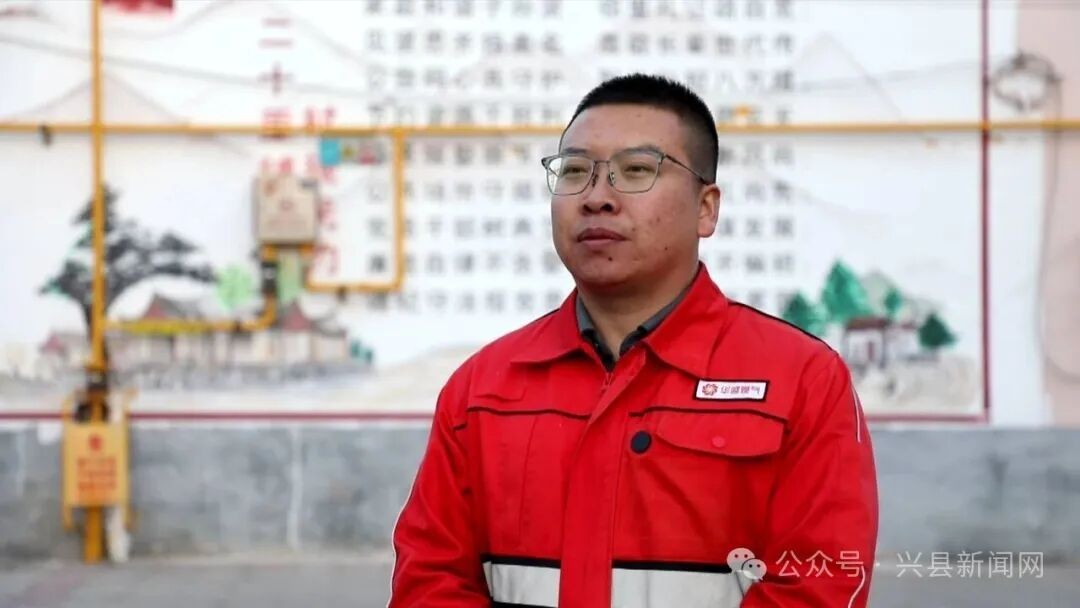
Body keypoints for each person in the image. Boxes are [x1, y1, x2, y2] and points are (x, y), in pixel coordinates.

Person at [389, 73, 878, 608]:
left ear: (706, 208)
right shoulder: (483, 388)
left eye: (637, 170)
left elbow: (817, 587)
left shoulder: (801, 381)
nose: (597, 197)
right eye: (575, 171)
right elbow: (429, 582)